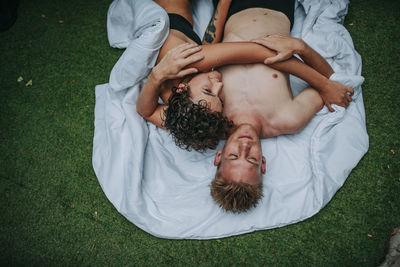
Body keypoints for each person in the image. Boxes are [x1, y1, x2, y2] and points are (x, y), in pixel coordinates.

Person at [136, 0, 352, 151]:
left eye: (208, 91)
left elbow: (145, 111)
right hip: (265, 11)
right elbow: (148, 112)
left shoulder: (190, 73)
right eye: (221, 98)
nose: (219, 84)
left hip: (171, 21)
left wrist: (157, 75)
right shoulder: (194, 116)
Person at [207, 0, 354, 213]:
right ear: (263, 163)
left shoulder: (211, 118)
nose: (245, 146)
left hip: (231, 7)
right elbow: (330, 85)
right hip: (274, 5)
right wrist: (300, 47)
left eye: (233, 155)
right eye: (251, 158)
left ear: (218, 157)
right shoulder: (288, 119)